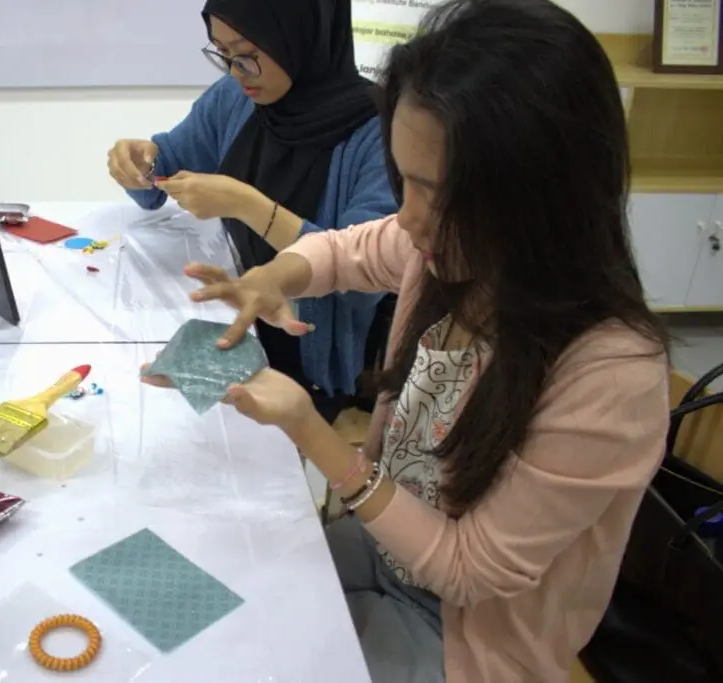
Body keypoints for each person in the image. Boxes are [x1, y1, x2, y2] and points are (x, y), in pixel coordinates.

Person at [142, 1, 671, 681]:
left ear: (542, 196)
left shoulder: (611, 375)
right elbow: (346, 249)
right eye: (403, 182)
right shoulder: (445, 250)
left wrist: (312, 432)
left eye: (436, 194)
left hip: (463, 634)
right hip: (383, 547)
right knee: (215, 601)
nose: (409, 220)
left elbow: (465, 571)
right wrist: (273, 276)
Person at [107, 0, 398, 424]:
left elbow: (365, 277)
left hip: (314, 362)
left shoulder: (380, 131)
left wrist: (247, 205)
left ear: (299, 38)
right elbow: (167, 161)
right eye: (222, 52)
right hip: (244, 322)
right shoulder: (235, 98)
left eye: (246, 54)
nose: (235, 71)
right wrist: (138, 163)